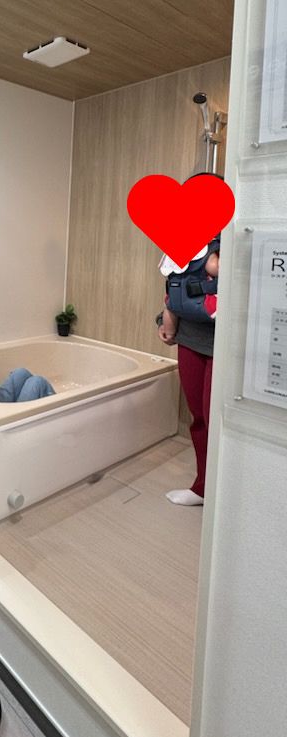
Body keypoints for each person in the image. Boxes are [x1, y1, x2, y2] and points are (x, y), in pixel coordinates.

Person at [156, 173, 222, 506]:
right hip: (190, 338)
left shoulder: (231, 238)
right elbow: (173, 286)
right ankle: (202, 487)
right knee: (198, 416)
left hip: (222, 342)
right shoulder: (183, 238)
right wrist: (166, 320)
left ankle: (223, 496)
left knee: (216, 420)